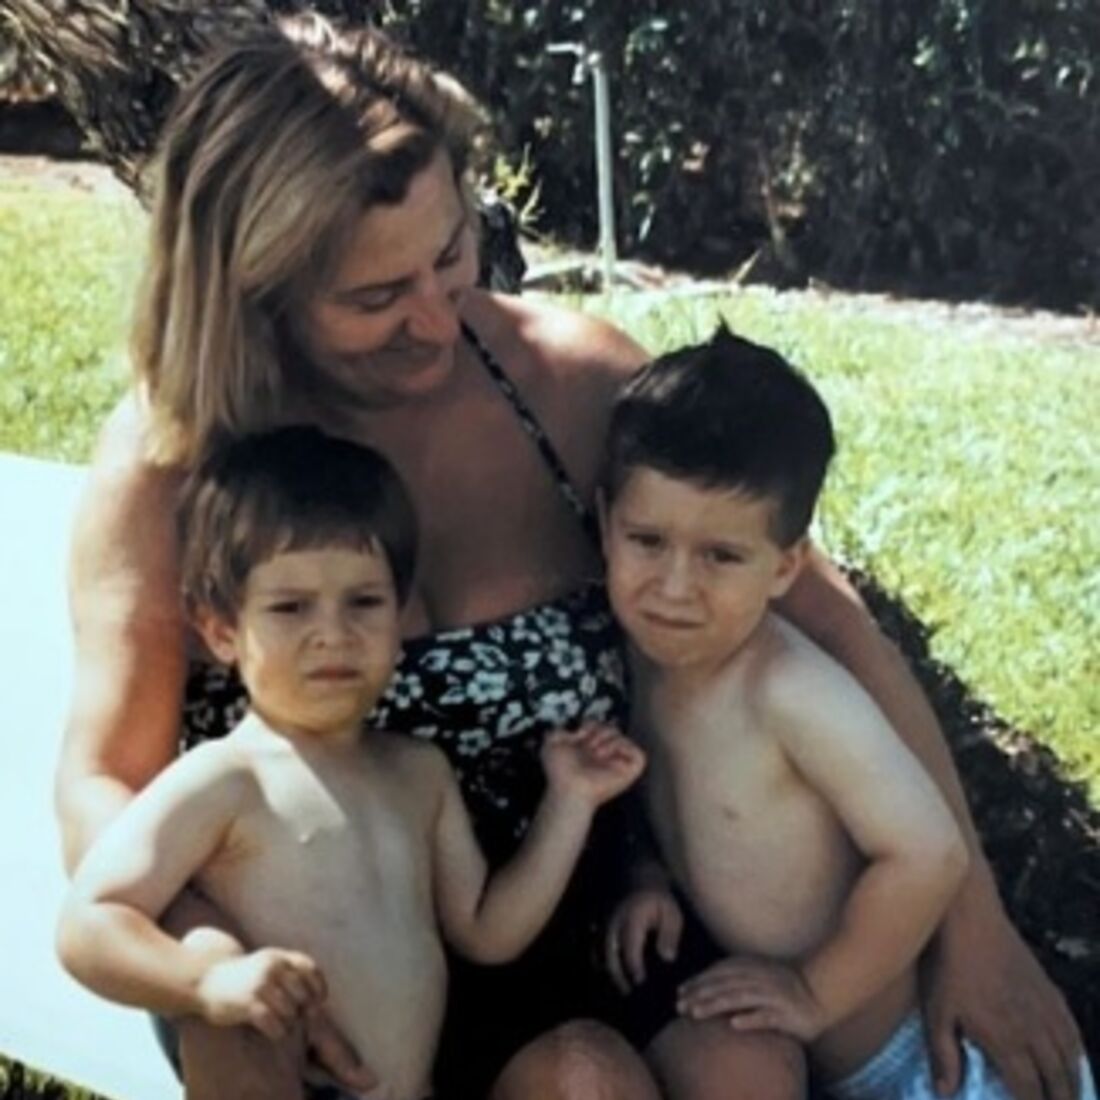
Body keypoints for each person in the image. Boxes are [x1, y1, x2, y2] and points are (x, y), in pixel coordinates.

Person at [54, 11, 1083, 1100]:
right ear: (252, 287)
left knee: (734, 1063)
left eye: (449, 254)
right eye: (374, 298)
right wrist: (214, 965)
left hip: (603, 913)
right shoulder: (175, 459)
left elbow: (830, 624)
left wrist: (975, 926)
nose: (436, 320)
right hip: (331, 953)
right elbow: (105, 778)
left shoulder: (568, 383)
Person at [57, 426, 645, 1100]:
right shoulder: (228, 779)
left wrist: (569, 800)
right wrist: (207, 981)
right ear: (221, 631)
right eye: (290, 607)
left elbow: (488, 931)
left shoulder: (419, 773)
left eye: (364, 602)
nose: (332, 633)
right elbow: (89, 922)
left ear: (402, 613)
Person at [600, 328, 1097, 1100]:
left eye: (721, 556)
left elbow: (928, 853)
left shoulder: (789, 690)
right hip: (839, 1070)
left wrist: (814, 992)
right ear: (606, 523)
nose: (674, 587)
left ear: (786, 567)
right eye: (647, 541)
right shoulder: (644, 658)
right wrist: (649, 876)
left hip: (931, 1064)